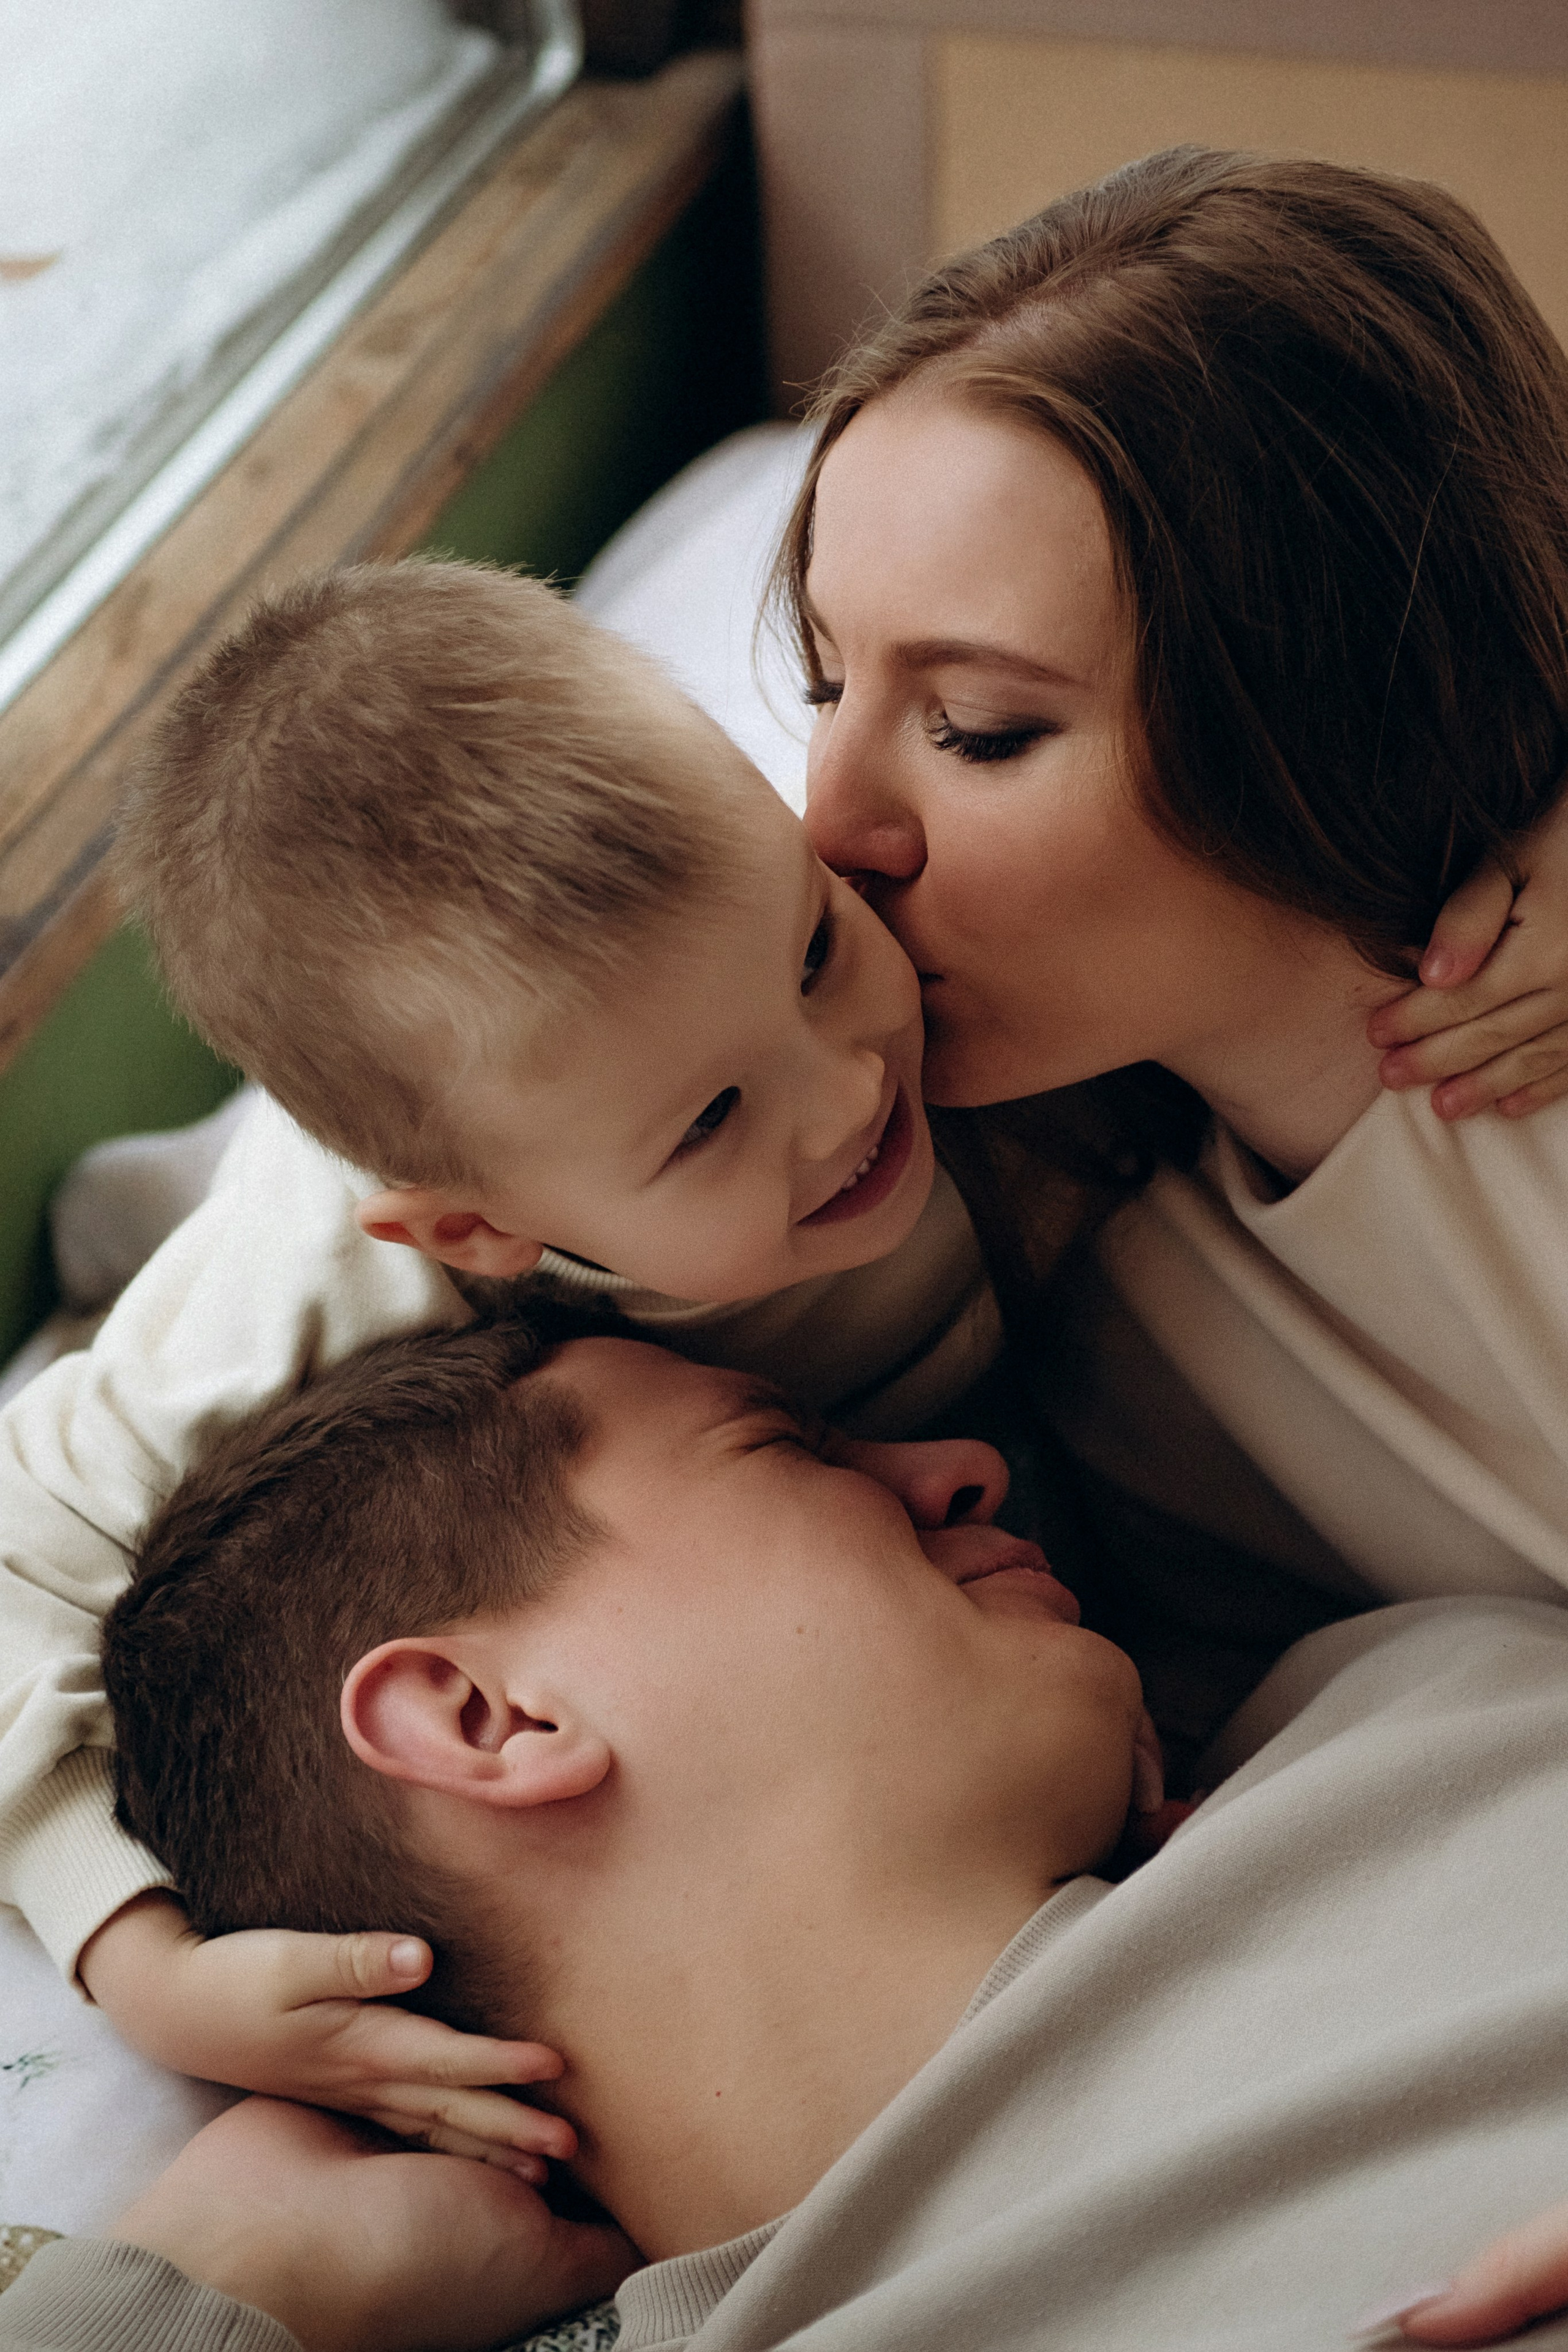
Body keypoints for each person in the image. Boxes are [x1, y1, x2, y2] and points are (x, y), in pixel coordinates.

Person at [12, 1319, 1568, 2351]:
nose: (957, 1465)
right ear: (489, 1721)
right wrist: (210, 2290)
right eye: (787, 1447)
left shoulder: (1402, 1699)